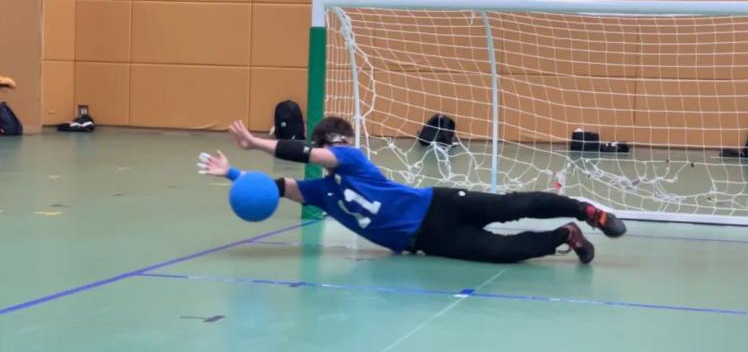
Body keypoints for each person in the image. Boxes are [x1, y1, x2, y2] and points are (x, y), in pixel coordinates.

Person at [198, 117, 627, 264]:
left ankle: (589, 211)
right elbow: (274, 189)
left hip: (438, 204)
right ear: (326, 142)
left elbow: (308, 156)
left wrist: (257, 142)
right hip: (426, 239)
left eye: (346, 140)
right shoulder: (320, 192)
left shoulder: (353, 160)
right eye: (338, 141)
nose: (346, 146)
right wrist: (233, 174)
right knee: (502, 253)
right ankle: (567, 234)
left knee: (512, 206)